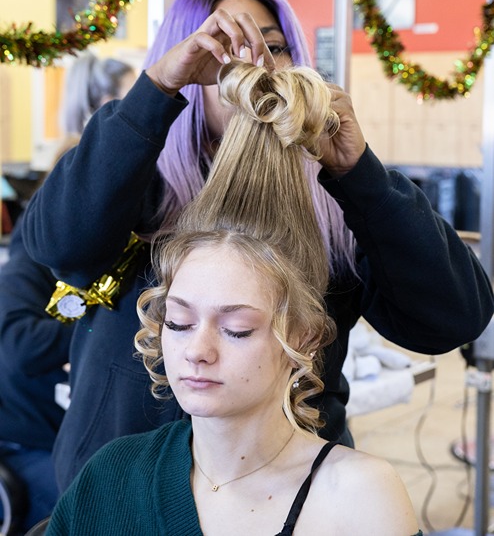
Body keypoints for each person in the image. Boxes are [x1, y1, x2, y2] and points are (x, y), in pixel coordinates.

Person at [21, 0, 494, 495]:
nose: (256, 64)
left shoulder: (337, 209)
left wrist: (363, 177)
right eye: (223, 48)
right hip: (127, 490)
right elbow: (57, 246)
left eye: (274, 47)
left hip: (285, 493)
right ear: (184, 63)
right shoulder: (135, 186)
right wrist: (153, 92)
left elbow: (453, 318)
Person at [45, 60, 421, 535]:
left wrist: (363, 175)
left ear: (303, 338)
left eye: (236, 329)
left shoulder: (359, 500)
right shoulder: (109, 478)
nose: (197, 351)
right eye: (178, 323)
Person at [0, 53, 135, 531]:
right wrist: (96, 335)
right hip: (26, 440)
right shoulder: (33, 256)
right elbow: (18, 344)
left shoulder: (121, 252)